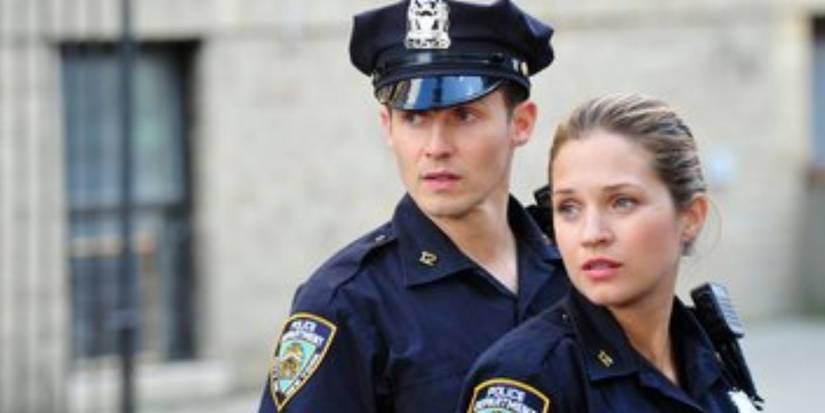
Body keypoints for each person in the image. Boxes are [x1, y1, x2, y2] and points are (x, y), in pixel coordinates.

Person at [257, 1, 568, 412]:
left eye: (463, 115)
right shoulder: (345, 304)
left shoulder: (579, 270)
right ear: (387, 126)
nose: (435, 148)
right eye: (414, 118)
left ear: (521, 123)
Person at [458, 94, 761, 412]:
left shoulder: (707, 356)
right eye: (569, 208)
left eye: (622, 202)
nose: (591, 235)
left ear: (690, 217)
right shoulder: (526, 379)